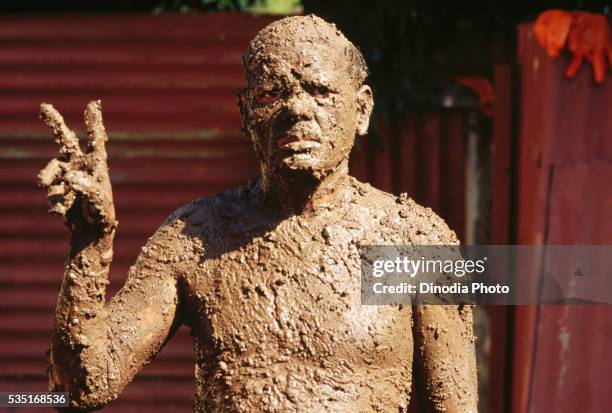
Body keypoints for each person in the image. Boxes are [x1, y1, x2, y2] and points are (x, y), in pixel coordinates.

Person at [39, 14, 477, 412]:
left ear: (361, 110)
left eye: (321, 91)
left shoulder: (413, 239)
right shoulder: (195, 237)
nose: (298, 109)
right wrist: (89, 245)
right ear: (246, 112)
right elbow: (80, 388)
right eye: (272, 93)